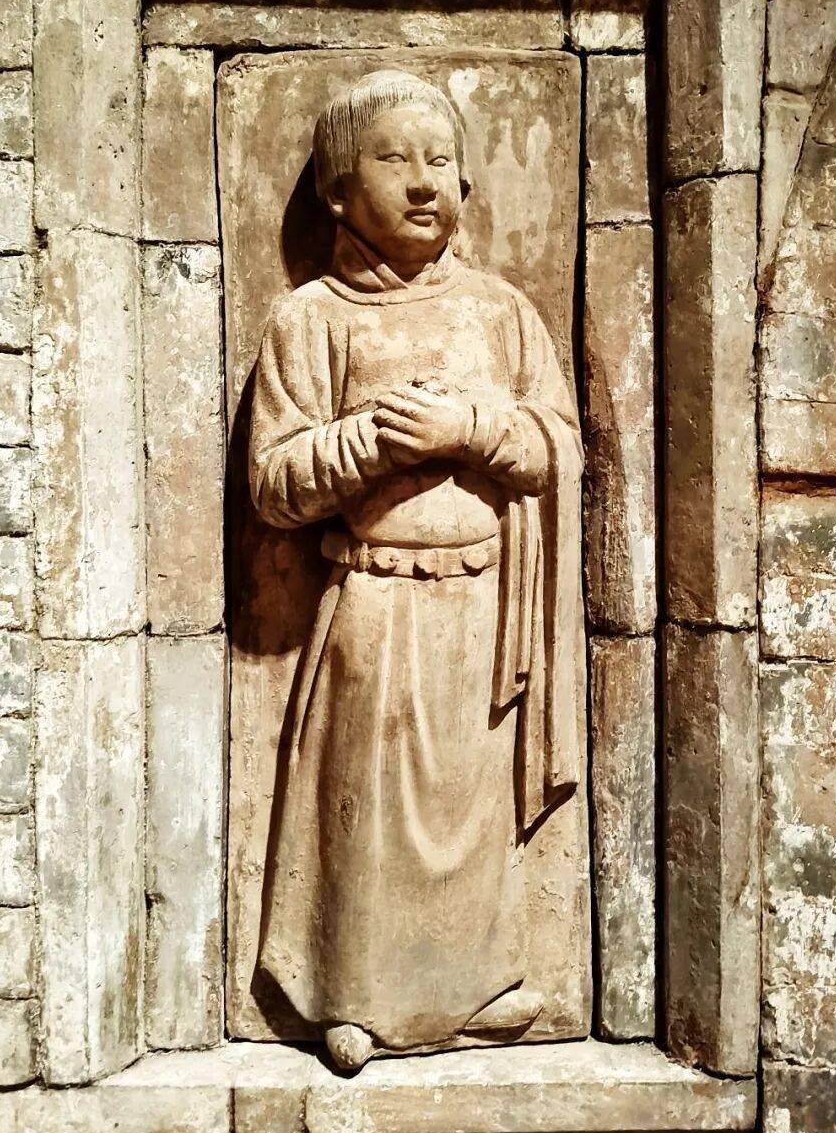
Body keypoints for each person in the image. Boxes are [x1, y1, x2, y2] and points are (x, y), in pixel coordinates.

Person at [249, 69, 584, 1071]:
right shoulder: (311, 319)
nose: (424, 181)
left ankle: (477, 985)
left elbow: (558, 446)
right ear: (337, 190)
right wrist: (371, 443)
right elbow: (273, 483)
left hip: (484, 609)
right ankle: (355, 996)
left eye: (441, 160)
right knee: (368, 811)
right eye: (394, 159)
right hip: (375, 604)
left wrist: (469, 426)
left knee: (472, 808)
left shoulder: (502, 314)